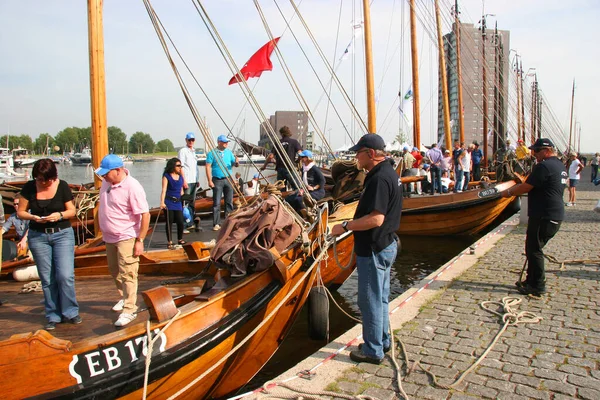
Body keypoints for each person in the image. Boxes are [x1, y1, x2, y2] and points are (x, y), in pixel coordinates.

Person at [331, 134, 403, 364]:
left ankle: (373, 350)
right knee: (380, 298)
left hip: (374, 247)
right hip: (385, 244)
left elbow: (376, 219)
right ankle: (382, 340)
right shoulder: (389, 172)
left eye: (359, 153)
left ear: (370, 153)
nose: (355, 158)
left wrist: (345, 226)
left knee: (370, 299)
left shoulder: (379, 179)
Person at [18, 159, 79, 330]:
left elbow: (71, 211)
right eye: (39, 179)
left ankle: (71, 312)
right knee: (47, 278)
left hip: (62, 235)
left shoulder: (62, 186)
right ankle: (53, 315)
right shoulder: (29, 188)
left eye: (46, 179)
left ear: (53, 177)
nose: (43, 183)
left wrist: (59, 215)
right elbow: (21, 212)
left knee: (65, 276)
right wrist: (33, 217)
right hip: (38, 236)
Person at [501, 138, 566, 297]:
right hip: (553, 214)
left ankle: (537, 286)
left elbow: (526, 186)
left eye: (536, 151)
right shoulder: (559, 165)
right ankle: (530, 280)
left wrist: (507, 193)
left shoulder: (543, 166)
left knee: (534, 250)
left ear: (546, 151)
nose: (533, 154)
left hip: (543, 214)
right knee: (532, 248)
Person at [95, 154, 150, 327]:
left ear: (118, 171)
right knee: (114, 270)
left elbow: (145, 214)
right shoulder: (106, 183)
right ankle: (124, 297)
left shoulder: (132, 187)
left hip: (126, 236)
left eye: (106, 173)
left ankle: (129, 308)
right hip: (109, 237)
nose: (103, 176)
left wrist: (140, 239)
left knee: (128, 272)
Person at [205, 134, 238, 231]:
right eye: (224, 142)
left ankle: (228, 222)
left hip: (228, 178)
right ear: (219, 142)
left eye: (227, 142)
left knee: (229, 202)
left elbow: (234, 164)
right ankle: (216, 223)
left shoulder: (229, 153)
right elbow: (207, 166)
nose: (226, 143)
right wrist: (209, 180)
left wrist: (236, 162)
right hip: (217, 179)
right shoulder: (212, 153)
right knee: (216, 203)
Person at [285, 150, 325, 218]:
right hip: (307, 191)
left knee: (299, 199)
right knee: (288, 199)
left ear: (307, 158)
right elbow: (304, 182)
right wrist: (301, 190)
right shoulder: (304, 168)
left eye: (302, 157)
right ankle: (293, 216)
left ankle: (306, 218)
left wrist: (313, 188)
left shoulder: (314, 168)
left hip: (317, 192)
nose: (301, 158)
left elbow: (323, 181)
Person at [160, 158, 185, 249]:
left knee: (180, 221)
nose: (180, 167)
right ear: (172, 166)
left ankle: (180, 239)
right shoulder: (166, 176)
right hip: (169, 202)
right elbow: (164, 190)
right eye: (178, 166)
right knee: (169, 221)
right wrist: (162, 202)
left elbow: (181, 190)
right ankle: (169, 241)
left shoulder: (180, 177)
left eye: (180, 166)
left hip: (178, 202)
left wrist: (184, 199)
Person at [178, 132, 199, 233]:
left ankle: (190, 223)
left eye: (192, 140)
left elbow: (195, 168)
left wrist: (197, 179)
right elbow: (180, 166)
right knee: (184, 203)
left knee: (192, 204)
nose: (191, 142)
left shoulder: (193, 152)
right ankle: (184, 225)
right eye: (189, 140)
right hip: (187, 181)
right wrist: (183, 180)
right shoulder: (183, 151)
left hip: (194, 181)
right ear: (186, 140)